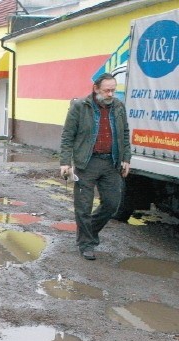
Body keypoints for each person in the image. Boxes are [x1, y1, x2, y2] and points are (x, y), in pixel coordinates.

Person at [59, 73, 131, 260]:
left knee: (112, 204)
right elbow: (67, 136)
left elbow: (124, 133)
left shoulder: (118, 107)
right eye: (107, 90)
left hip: (111, 162)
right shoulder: (80, 107)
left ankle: (87, 231)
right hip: (87, 162)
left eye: (113, 90)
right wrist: (65, 162)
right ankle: (87, 244)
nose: (110, 94)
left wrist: (126, 158)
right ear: (96, 89)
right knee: (83, 206)